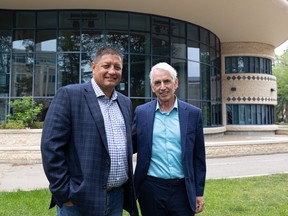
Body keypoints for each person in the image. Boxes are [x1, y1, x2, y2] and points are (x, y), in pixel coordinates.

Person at [41, 46, 138, 216]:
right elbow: (51, 147)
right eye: (106, 65)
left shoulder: (125, 103)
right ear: (93, 67)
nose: (112, 71)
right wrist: (64, 193)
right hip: (79, 200)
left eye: (117, 67)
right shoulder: (70, 95)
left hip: (116, 197)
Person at [132, 62, 206, 216]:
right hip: (151, 189)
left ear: (176, 83)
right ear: (152, 87)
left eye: (167, 81)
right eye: (157, 83)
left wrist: (199, 192)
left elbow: (199, 157)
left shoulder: (193, 114)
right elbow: (129, 146)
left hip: (183, 191)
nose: (162, 87)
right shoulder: (141, 113)